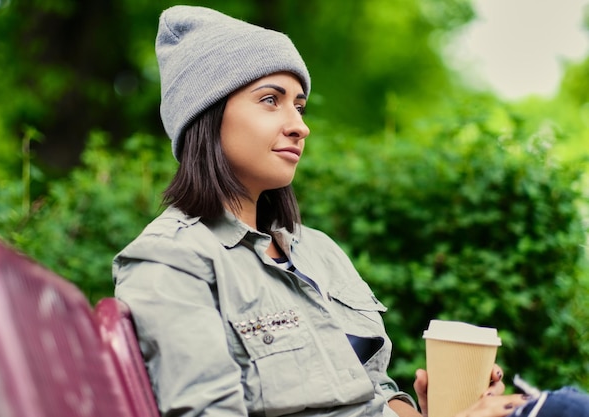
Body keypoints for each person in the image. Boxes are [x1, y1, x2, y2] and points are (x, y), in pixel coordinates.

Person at [113, 5, 585, 417]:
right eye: (270, 100)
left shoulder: (316, 251)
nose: (299, 126)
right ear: (206, 118)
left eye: (300, 106)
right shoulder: (172, 261)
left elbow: (374, 391)